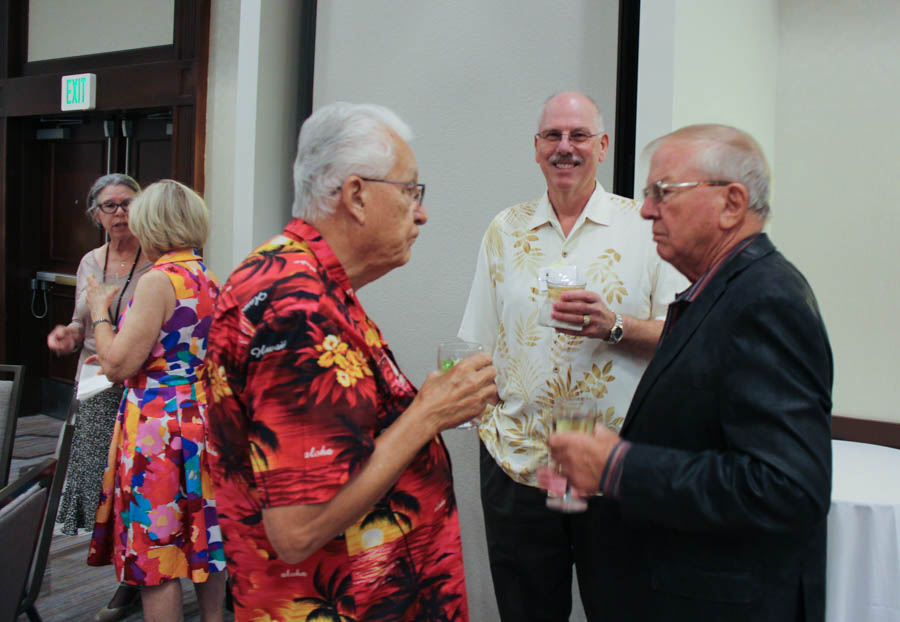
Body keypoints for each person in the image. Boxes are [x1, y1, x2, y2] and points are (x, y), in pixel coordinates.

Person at [203, 102, 497, 622]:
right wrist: (428, 414)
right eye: (411, 191)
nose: (422, 211)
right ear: (357, 195)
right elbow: (298, 530)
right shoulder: (296, 307)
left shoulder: (308, 281)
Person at [548, 124, 833, 621]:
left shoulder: (766, 301)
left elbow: (788, 488)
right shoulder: (717, 292)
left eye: (663, 192)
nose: (646, 209)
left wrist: (618, 466)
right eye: (647, 193)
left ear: (731, 203)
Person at [457, 91, 687, 621]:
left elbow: (687, 337)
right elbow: (479, 341)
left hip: (610, 466)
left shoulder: (644, 227)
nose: (566, 147)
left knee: (622, 610)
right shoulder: (504, 229)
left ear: (602, 146)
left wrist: (615, 326)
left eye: (579, 135)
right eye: (553, 136)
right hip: (517, 465)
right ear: (536, 148)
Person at [85, 180, 226, 622]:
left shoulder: (157, 280)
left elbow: (118, 366)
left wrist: (99, 313)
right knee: (206, 539)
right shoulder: (207, 276)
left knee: (157, 552)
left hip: (156, 427)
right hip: (201, 419)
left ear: (152, 223)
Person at [46, 173, 151, 621]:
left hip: (141, 381)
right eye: (110, 205)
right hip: (95, 380)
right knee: (94, 484)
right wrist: (68, 336)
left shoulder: (158, 257)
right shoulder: (91, 260)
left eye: (128, 203)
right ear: (96, 214)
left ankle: (131, 583)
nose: (120, 212)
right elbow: (81, 322)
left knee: (135, 485)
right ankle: (116, 572)